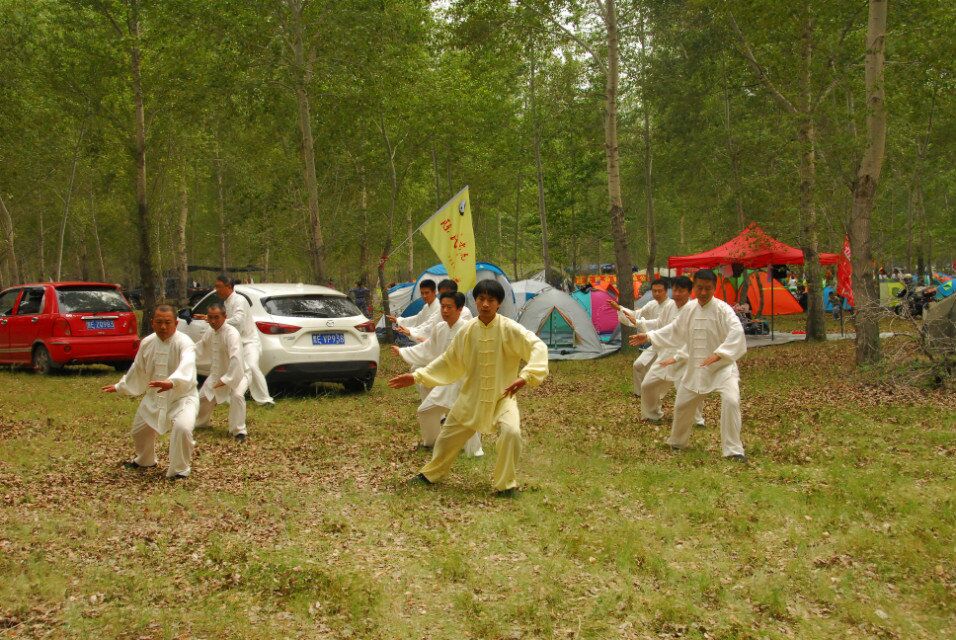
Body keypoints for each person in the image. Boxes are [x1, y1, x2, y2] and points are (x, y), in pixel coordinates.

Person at [388, 279, 549, 497]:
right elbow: (449, 361)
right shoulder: (467, 331)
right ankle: (430, 474)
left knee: (511, 432)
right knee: (446, 439)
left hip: (503, 396)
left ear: (498, 303)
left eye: (490, 300)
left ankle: (506, 485)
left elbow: (536, 345)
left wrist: (527, 376)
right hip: (470, 397)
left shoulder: (509, 328)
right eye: (481, 299)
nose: (485, 304)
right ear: (475, 301)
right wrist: (417, 376)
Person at [630, 269, 748, 461]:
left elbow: (737, 333)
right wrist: (649, 336)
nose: (703, 293)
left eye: (707, 289)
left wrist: (720, 354)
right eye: (699, 288)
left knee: (732, 401)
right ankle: (677, 442)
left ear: (714, 288)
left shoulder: (723, 309)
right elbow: (675, 330)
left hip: (722, 368)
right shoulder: (689, 309)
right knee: (682, 405)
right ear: (694, 287)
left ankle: (733, 450)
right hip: (696, 369)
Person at [102, 305, 199, 480]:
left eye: (167, 322)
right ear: (152, 323)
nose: (163, 327)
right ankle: (145, 460)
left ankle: (180, 469)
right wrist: (120, 386)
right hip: (154, 397)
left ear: (176, 323)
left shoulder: (185, 342)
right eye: (159, 322)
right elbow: (137, 369)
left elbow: (188, 364)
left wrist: (172, 382)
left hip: (182, 397)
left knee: (183, 428)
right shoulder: (147, 343)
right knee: (139, 431)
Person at [392, 291, 482, 457]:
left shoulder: (468, 330)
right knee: (426, 411)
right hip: (443, 379)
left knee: (463, 416)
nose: (445, 311)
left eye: (449, 307)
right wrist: (404, 352)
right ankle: (432, 443)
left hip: (463, 382)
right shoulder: (440, 328)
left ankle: (474, 450)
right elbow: (428, 349)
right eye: (443, 307)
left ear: (460, 309)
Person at [196, 275, 275, 407]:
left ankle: (265, 400)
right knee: (228, 369)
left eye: (219, 287)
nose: (216, 290)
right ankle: (228, 395)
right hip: (235, 343)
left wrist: (215, 320)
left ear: (228, 286)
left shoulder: (239, 300)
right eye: (215, 287)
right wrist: (210, 318)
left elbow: (238, 321)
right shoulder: (226, 303)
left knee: (252, 366)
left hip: (249, 341)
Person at [638, 276, 704, 427]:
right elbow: (660, 326)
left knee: (689, 389)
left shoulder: (695, 309)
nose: (677, 294)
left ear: (689, 292)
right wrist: (644, 329)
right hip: (666, 354)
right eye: (675, 290)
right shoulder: (669, 307)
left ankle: (696, 420)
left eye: (681, 291)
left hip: (686, 356)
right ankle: (652, 414)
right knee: (648, 385)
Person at [608, 278, 676, 395]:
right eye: (654, 291)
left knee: (663, 373)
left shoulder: (673, 306)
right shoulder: (651, 304)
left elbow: (665, 326)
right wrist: (620, 308)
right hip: (654, 344)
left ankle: (656, 395)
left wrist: (641, 324)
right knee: (639, 365)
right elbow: (636, 315)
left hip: (669, 346)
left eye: (660, 291)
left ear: (666, 291)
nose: (657, 294)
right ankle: (640, 393)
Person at [194, 302, 249, 442]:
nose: (213, 321)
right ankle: (201, 423)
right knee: (203, 398)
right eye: (210, 317)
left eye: (216, 317)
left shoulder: (232, 334)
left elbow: (236, 359)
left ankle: (239, 432)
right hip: (216, 374)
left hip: (240, 374)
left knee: (237, 396)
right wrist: (185, 354)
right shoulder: (210, 332)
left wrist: (226, 380)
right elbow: (200, 348)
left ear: (225, 316)